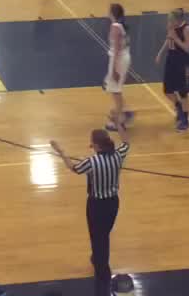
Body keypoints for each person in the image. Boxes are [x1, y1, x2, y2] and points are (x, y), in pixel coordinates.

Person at [49, 120, 131, 296]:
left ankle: (103, 273)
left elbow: (73, 168)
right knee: (104, 233)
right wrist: (118, 124)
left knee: (98, 238)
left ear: (96, 145)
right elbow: (126, 142)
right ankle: (98, 259)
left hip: (97, 205)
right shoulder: (118, 155)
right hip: (113, 202)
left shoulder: (92, 162)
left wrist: (60, 151)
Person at [156, 8, 189, 132]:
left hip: (182, 62)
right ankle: (179, 107)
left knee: (183, 92)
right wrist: (160, 53)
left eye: (172, 20)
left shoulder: (187, 29)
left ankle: (185, 120)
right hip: (171, 60)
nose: (169, 22)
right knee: (167, 90)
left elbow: (188, 48)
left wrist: (176, 38)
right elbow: (168, 39)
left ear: (178, 20)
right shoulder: (171, 26)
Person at [103, 3, 133, 132]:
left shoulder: (115, 26)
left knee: (116, 91)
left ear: (112, 13)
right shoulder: (122, 25)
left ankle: (120, 120)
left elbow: (116, 49)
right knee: (115, 89)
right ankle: (123, 112)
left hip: (119, 59)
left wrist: (115, 69)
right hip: (124, 57)